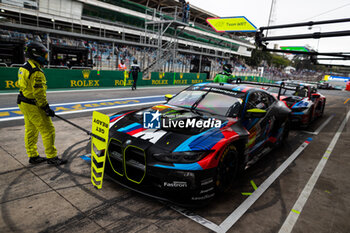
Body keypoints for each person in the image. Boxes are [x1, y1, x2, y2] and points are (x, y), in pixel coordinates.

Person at [17, 41, 67, 166]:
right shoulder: (36, 71)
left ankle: (33, 155)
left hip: (23, 102)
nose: (46, 57)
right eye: (44, 55)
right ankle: (52, 157)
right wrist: (46, 107)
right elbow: (39, 94)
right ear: (36, 54)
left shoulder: (24, 66)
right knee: (48, 130)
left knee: (31, 129)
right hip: (33, 105)